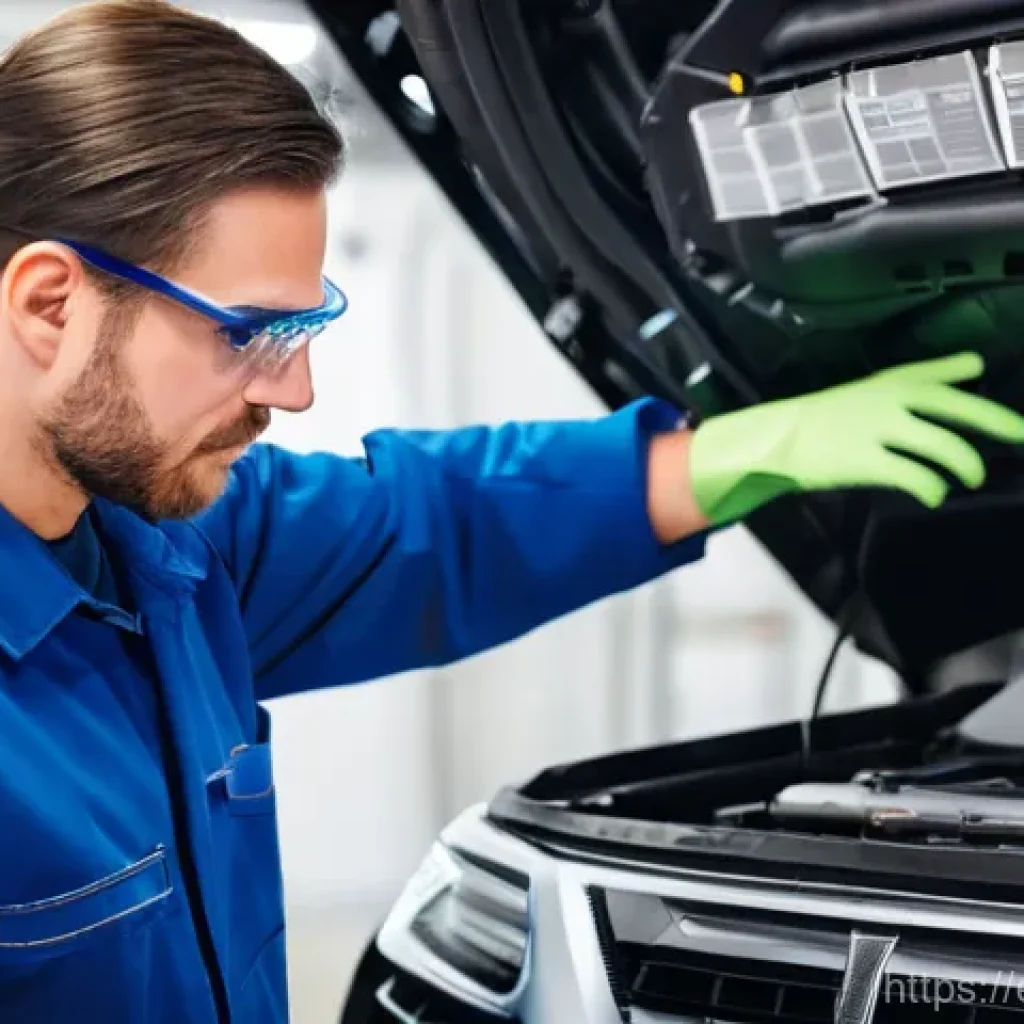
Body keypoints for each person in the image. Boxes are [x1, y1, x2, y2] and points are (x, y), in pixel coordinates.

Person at [1, 2, 1022, 1022]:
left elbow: (430, 523)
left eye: (304, 330)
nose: (295, 392)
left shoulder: (167, 551)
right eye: (250, 333)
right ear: (51, 304)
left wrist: (739, 452)